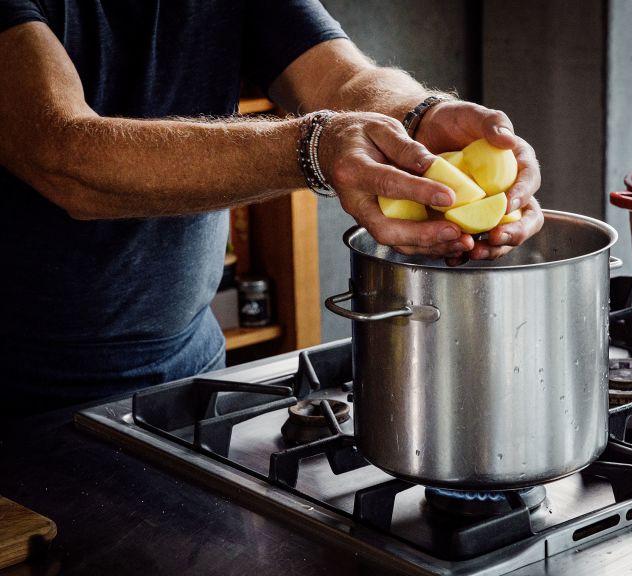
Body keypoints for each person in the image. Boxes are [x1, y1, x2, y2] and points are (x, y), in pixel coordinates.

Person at [0, 0, 542, 420]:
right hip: (20, 406)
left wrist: (420, 116)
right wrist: (313, 149)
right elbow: (62, 156)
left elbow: (343, 78)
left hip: (188, 375)